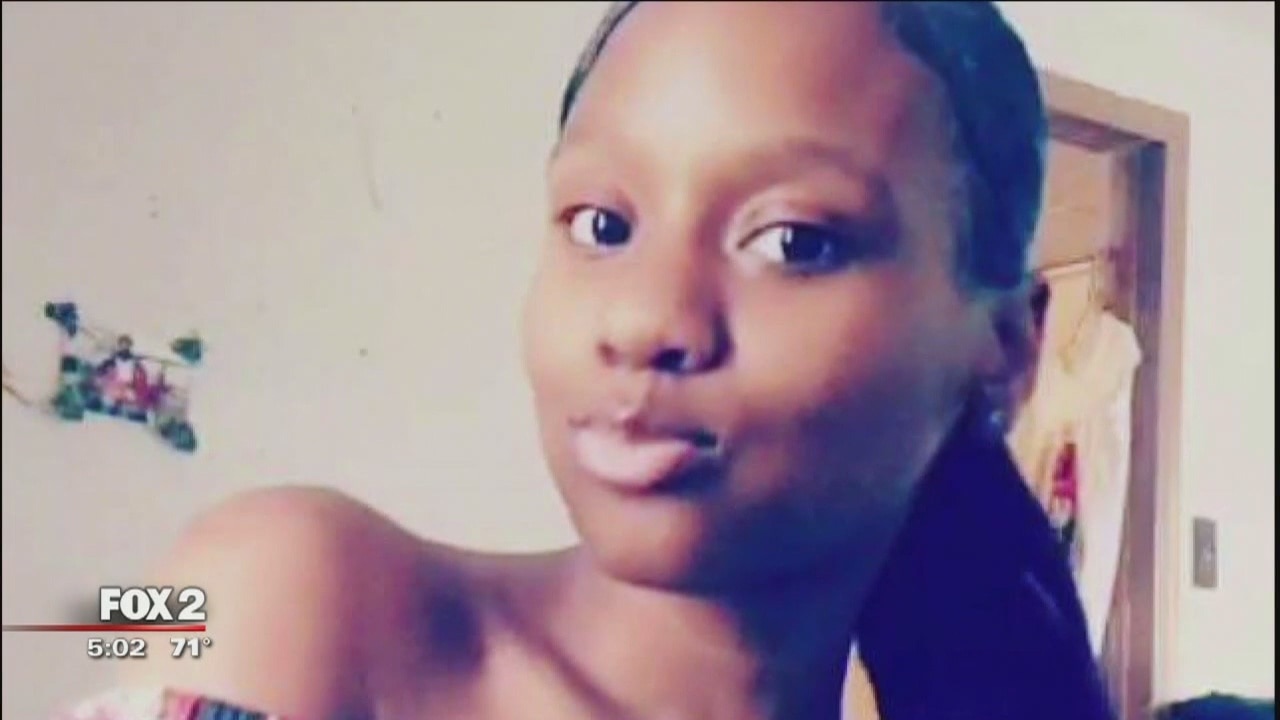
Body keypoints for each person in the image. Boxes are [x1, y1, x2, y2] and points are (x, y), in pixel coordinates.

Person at [60, 2, 1115, 719]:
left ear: (1004, 348)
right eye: (602, 225)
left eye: (793, 241)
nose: (645, 319)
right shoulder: (289, 591)